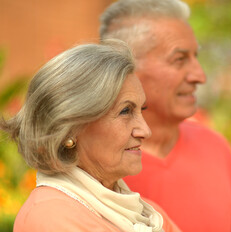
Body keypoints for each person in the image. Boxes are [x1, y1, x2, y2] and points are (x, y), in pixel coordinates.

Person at [99, 0, 231, 232]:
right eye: (179, 59)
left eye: (196, 57)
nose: (199, 76)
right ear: (125, 68)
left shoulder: (215, 148)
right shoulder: (93, 165)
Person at [1, 40, 180, 232]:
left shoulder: (149, 214)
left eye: (141, 110)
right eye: (126, 111)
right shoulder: (50, 217)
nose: (145, 130)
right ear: (70, 127)